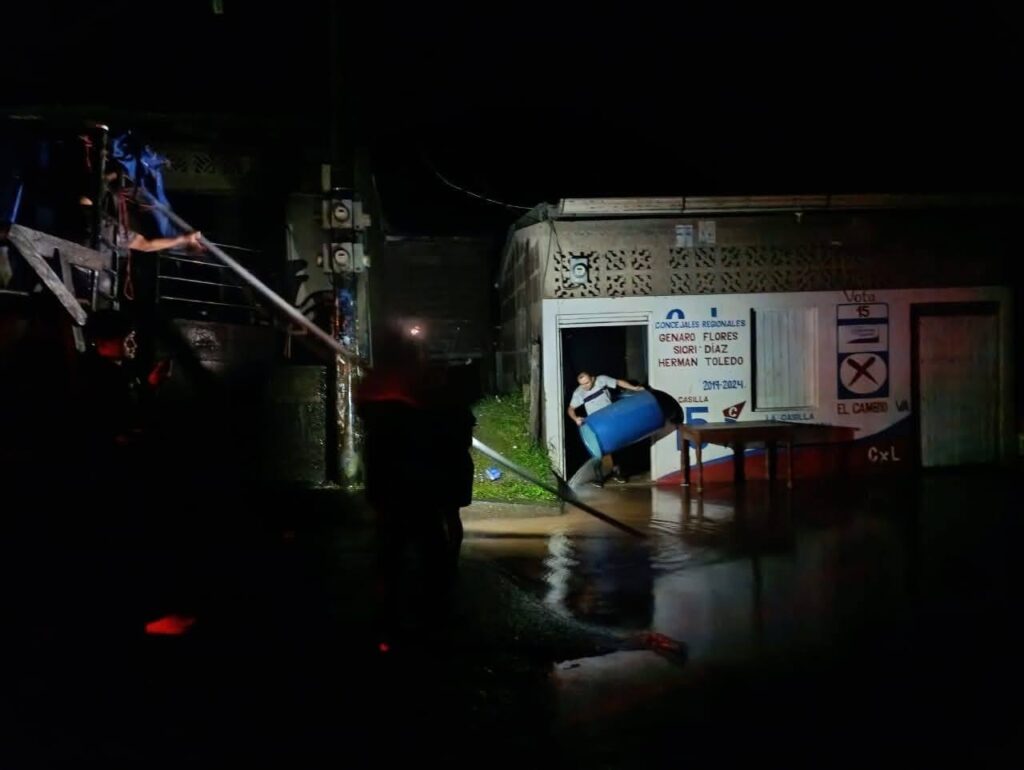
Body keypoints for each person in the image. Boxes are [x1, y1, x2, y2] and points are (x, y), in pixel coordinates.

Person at [567, 370, 644, 486]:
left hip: (610, 418)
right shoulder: (579, 392)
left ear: (593, 378)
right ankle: (599, 479)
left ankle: (618, 473)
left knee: (617, 447)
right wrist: (575, 419)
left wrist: (635, 388)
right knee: (596, 451)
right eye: (582, 384)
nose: (585, 386)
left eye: (587, 383)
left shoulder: (601, 380)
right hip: (596, 424)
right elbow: (570, 409)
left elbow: (618, 382)